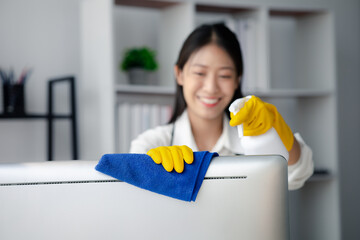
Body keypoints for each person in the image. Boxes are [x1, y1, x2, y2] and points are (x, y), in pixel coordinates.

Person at [130, 23, 313, 190]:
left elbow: (296, 175)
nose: (211, 88)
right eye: (200, 73)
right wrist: (152, 170)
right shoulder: (150, 144)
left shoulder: (254, 142)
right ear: (179, 74)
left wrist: (278, 132)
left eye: (224, 75)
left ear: (237, 80)